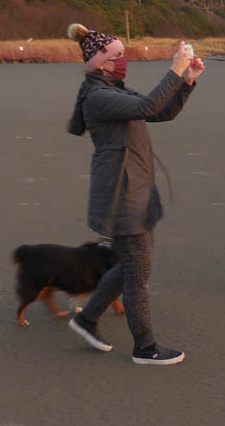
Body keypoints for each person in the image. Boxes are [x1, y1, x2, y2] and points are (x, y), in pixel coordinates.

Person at [65, 23, 204, 365]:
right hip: (121, 196)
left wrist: (186, 81)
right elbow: (146, 107)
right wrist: (175, 68)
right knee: (138, 275)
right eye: (118, 55)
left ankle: (86, 319)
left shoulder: (115, 91)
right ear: (101, 62)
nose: (124, 60)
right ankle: (145, 348)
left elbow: (159, 110)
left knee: (132, 267)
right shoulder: (98, 96)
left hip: (134, 191)